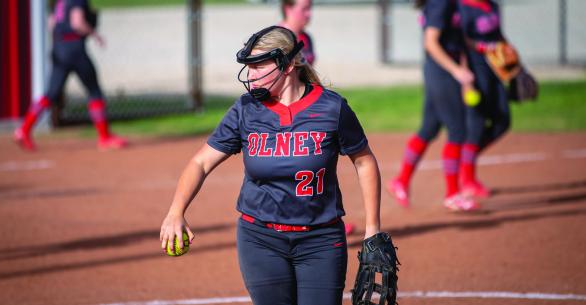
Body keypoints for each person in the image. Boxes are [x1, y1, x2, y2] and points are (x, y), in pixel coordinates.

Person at [160, 26, 382, 305]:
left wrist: (373, 227)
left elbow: (364, 161)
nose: (250, 74)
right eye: (248, 66)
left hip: (321, 240)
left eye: (258, 65)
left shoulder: (331, 108)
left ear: (288, 65)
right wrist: (175, 211)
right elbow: (201, 162)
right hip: (260, 240)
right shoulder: (245, 110)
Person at [387, 0, 479, 211]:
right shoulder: (441, 2)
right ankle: (453, 194)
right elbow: (431, 42)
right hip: (441, 73)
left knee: (429, 128)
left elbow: (459, 43)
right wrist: (457, 71)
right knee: (458, 130)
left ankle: (401, 181)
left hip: (444, 72)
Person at [14, 0, 126, 151]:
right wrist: (94, 34)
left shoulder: (60, 2)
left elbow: (51, 23)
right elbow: (77, 23)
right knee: (94, 91)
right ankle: (104, 137)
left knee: (51, 94)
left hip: (59, 49)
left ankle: (24, 130)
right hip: (75, 50)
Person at [458, 0, 511, 198]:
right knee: (476, 126)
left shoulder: (492, 5)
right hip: (475, 72)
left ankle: (466, 160)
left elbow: (499, 37)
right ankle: (468, 179)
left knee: (503, 121)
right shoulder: (462, 7)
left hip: (495, 72)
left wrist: (515, 67)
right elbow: (460, 43)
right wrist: (465, 81)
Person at [280, 0, 315, 66]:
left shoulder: (307, 38)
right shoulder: (276, 38)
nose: (309, 14)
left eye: (310, 8)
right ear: (288, 9)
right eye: (304, 9)